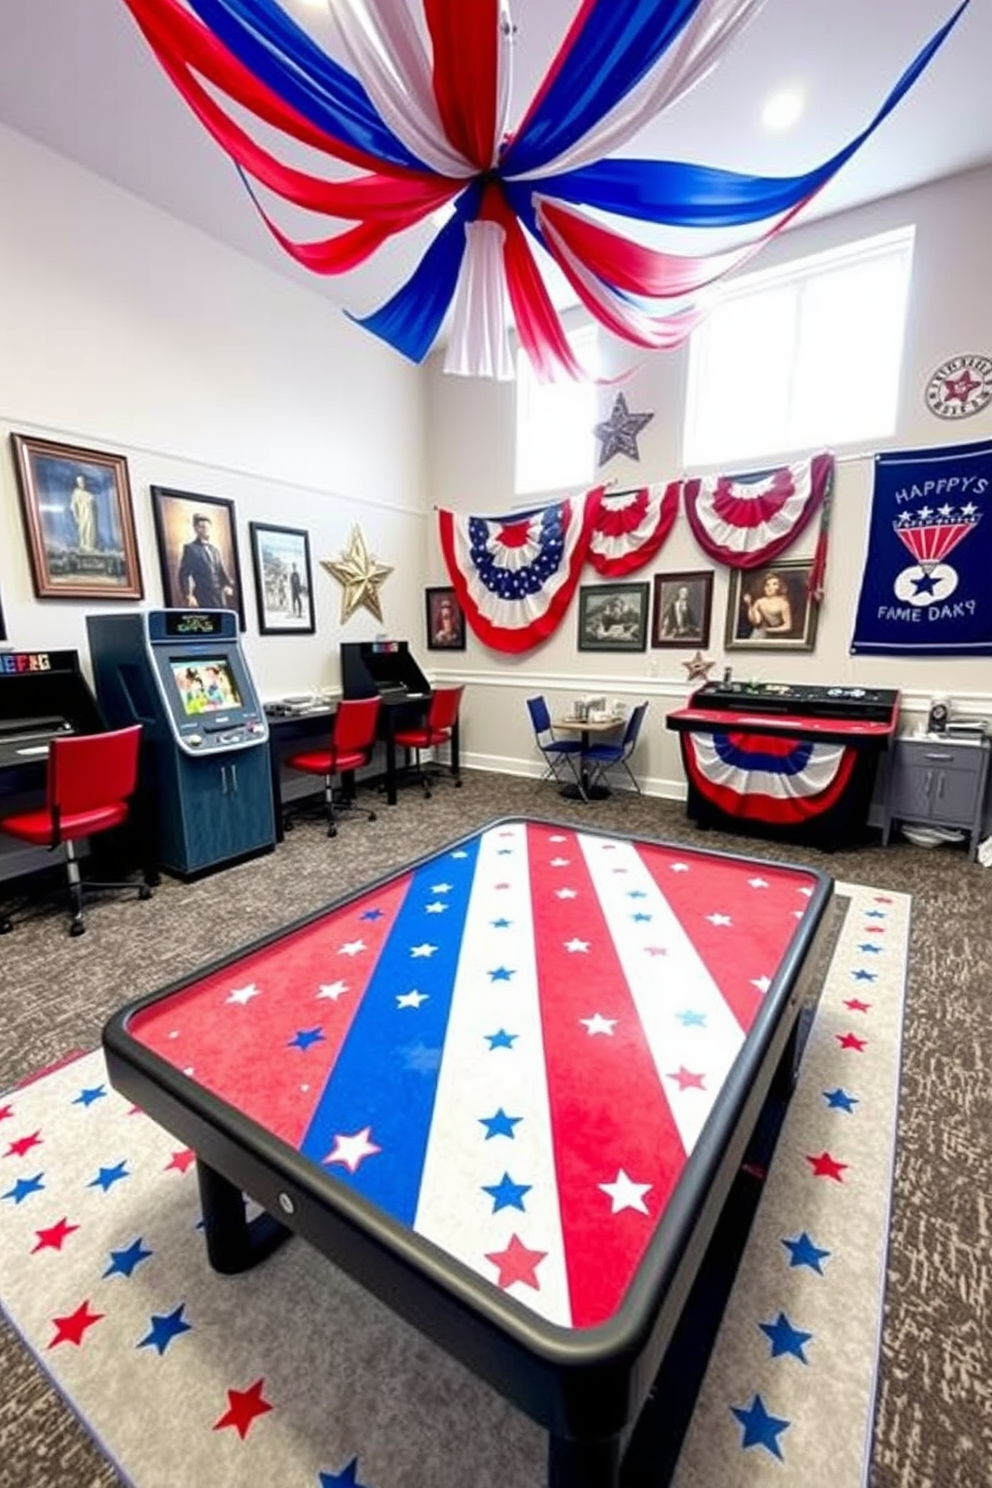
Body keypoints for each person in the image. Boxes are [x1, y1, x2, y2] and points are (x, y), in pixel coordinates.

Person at [177, 513, 236, 610]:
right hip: (203, 596)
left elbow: (220, 571)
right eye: (202, 527)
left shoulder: (215, 550)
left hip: (219, 596)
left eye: (207, 527)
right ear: (196, 529)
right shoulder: (191, 549)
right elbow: (184, 574)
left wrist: (227, 585)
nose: (205, 529)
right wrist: (188, 595)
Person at [741, 570, 793, 638]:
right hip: (759, 634)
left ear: (779, 587)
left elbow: (788, 626)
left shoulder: (783, 604)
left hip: (776, 635)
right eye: (768, 584)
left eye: (774, 584)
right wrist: (749, 605)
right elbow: (756, 621)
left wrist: (769, 630)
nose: (770, 587)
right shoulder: (759, 602)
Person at [70, 474, 98, 551]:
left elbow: (95, 509)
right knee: (84, 530)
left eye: (83, 481)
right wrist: (76, 517)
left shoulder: (90, 495)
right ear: (77, 483)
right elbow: (73, 506)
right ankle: (84, 545)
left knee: (91, 530)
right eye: (80, 482)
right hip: (83, 517)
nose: (82, 483)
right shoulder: (76, 493)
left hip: (91, 517)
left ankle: (91, 546)